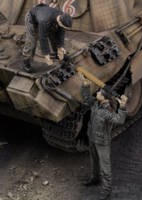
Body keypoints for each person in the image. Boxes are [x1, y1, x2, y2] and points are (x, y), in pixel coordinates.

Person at [78, 72, 128, 200]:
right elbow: (86, 97)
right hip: (92, 137)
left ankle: (106, 190)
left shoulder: (107, 111)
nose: (97, 94)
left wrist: (122, 107)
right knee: (94, 161)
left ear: (105, 98)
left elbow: (119, 119)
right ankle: (95, 179)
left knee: (105, 168)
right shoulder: (95, 104)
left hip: (102, 141)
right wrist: (85, 84)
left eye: (99, 93)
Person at [22, 3, 73, 73]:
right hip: (32, 19)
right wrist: (46, 55)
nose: (64, 28)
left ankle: (58, 54)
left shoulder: (62, 17)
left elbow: (61, 33)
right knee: (31, 41)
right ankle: (26, 62)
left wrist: (60, 47)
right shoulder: (44, 20)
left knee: (54, 36)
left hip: (47, 18)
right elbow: (43, 37)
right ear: (60, 22)